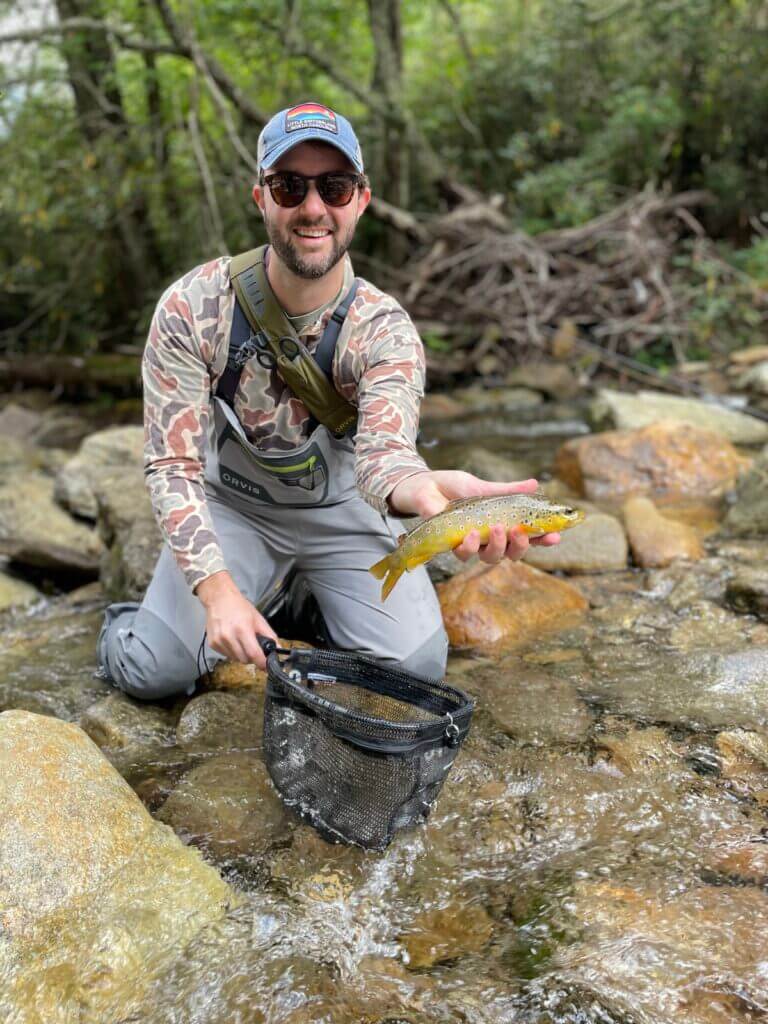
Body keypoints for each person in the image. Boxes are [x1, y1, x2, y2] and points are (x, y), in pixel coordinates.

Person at [97, 102, 560, 700]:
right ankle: (128, 626)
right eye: (290, 186)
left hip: (344, 512)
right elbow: (172, 466)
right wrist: (217, 591)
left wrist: (427, 496)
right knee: (153, 674)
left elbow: (384, 456)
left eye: (334, 187)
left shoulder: (385, 331)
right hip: (234, 510)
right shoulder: (193, 307)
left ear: (361, 200)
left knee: (415, 673)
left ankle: (305, 600)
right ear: (260, 197)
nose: (313, 208)